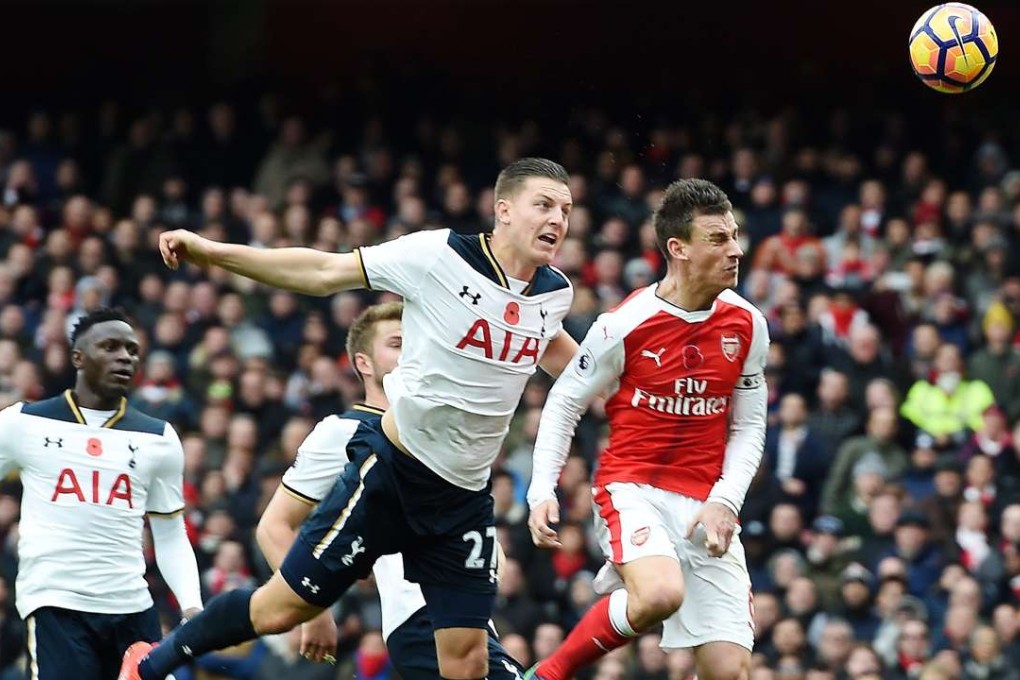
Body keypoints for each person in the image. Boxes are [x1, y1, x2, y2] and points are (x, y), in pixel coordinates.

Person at [120, 157, 578, 680]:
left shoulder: (553, 294)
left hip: (464, 499)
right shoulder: (437, 255)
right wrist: (213, 254)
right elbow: (322, 271)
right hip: (395, 475)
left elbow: (570, 360)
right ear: (503, 211)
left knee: (467, 663)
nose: (558, 220)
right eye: (543, 205)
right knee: (282, 608)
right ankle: (149, 666)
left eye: (565, 209)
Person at [525, 179, 769, 680]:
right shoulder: (626, 323)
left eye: (734, 236)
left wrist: (727, 500)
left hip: (705, 503)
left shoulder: (748, 324)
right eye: (718, 240)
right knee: (660, 593)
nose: (736, 251)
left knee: (730, 672)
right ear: (678, 249)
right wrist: (541, 488)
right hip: (633, 486)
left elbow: (749, 423)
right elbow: (565, 399)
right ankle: (548, 674)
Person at [255, 301, 524, 678]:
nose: (412, 350)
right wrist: (311, 608)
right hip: (420, 618)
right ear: (364, 363)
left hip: (467, 626)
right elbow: (274, 526)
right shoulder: (343, 432)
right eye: (397, 343)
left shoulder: (447, 433)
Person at [0, 307, 202, 679]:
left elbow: (171, 531)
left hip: (132, 608)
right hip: (56, 605)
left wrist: (191, 607)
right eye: (110, 347)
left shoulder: (158, 438)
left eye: (131, 349)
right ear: (78, 357)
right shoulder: (23, 423)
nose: (124, 356)